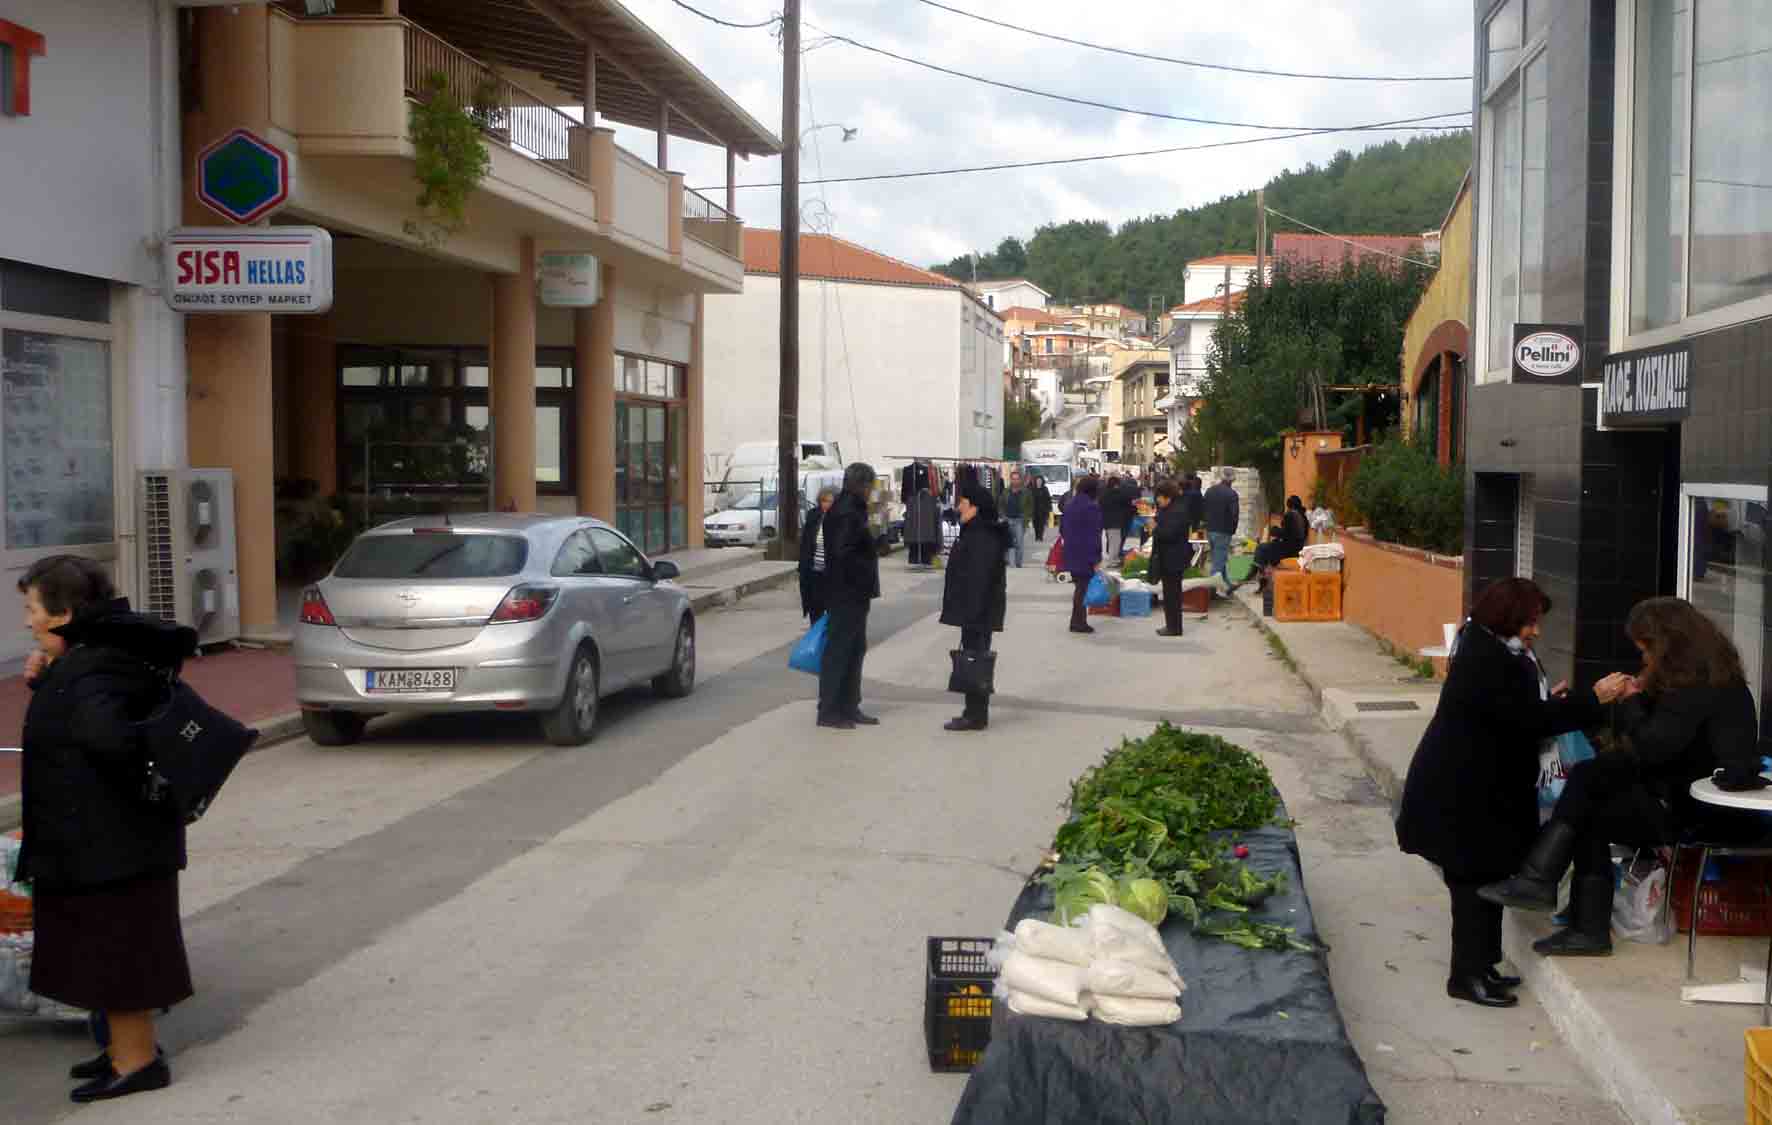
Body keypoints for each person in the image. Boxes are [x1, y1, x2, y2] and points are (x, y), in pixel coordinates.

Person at [1478, 596, 1765, 957]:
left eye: (1646, 650)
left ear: (1666, 646)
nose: (1644, 660)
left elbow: (1650, 748)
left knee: (1589, 792)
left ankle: (1552, 893)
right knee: (1590, 792)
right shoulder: (1703, 680)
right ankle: (1563, 906)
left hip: (1702, 813)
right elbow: (1660, 747)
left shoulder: (1698, 689)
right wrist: (1638, 699)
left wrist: (1630, 701)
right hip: (1680, 797)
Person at [15, 555, 199, 1101]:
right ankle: (122, 1047)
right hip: (110, 843)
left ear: (64, 614)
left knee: (118, 954)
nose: (27, 621)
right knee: (102, 951)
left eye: (32, 608)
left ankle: (137, 1062)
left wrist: (59, 684)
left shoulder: (92, 668)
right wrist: (49, 681)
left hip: (113, 847)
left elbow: (109, 744)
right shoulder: (92, 660)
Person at [1395, 578, 1605, 1008]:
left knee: (1488, 878)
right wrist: (1594, 700)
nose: (1536, 632)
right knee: (1471, 883)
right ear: (1508, 618)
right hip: (1461, 794)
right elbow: (1527, 721)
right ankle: (1465, 975)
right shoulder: (1488, 659)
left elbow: (1520, 712)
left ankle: (1483, 965)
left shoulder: (1492, 648)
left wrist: (1551, 703)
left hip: (1480, 791)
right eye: (1530, 622)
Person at [817, 463, 884, 730]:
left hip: (853, 592)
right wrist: (865, 566)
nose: (870, 491)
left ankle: (849, 705)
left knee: (855, 648)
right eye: (869, 486)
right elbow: (843, 553)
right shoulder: (846, 512)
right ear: (860, 485)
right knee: (840, 650)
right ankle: (830, 710)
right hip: (846, 592)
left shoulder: (852, 508)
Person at [940, 483, 1009, 731]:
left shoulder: (982, 536)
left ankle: (976, 715)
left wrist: (973, 613)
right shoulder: (976, 531)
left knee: (976, 660)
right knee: (974, 658)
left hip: (978, 611)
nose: (959, 507)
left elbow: (980, 577)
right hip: (976, 609)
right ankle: (974, 712)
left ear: (975, 507)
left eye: (963, 502)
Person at [1059, 475, 1104, 634]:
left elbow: (1062, 529)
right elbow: (1095, 534)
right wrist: (1097, 557)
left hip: (1071, 551)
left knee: (1079, 586)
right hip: (1086, 553)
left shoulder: (1069, 505)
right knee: (1082, 588)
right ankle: (1078, 622)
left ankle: (1076, 620)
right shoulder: (1092, 507)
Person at [1149, 480, 1194, 638]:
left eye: (1159, 497)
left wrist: (1155, 528)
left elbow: (1170, 534)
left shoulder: (1178, 511)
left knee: (1173, 594)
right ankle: (1171, 625)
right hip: (1166, 557)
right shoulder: (1167, 509)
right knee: (1169, 594)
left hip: (1174, 558)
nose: (1157, 500)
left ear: (1168, 496)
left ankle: (1174, 627)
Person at [798, 487, 837, 622]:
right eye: (824, 501)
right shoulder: (813, 515)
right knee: (815, 608)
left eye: (830, 501)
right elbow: (805, 542)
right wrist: (803, 566)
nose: (826, 504)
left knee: (833, 609)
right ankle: (816, 631)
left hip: (832, 573)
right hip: (814, 570)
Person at [1254, 495, 1310, 588]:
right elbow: (1293, 533)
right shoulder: (1303, 517)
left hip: (1289, 549)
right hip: (1297, 548)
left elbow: (1286, 533)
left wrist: (1274, 530)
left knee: (1261, 548)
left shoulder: (1291, 515)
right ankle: (1263, 573)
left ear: (1289, 505)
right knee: (1269, 548)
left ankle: (1261, 575)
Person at [1203, 467, 1241, 595]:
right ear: (1233, 479)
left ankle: (1227, 583)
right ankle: (1211, 591)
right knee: (1218, 562)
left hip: (1210, 529)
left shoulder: (1210, 491)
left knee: (1218, 557)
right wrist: (1233, 529)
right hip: (1224, 530)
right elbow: (1234, 514)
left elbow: (1204, 508)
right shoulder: (1232, 494)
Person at [1100, 475, 1132, 569]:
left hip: (1107, 521)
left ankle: (1114, 559)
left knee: (1113, 541)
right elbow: (1128, 502)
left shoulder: (1104, 494)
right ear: (1116, 484)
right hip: (1115, 522)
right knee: (1115, 542)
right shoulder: (1118, 494)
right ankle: (1112, 561)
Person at [1001, 472, 1029, 569]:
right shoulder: (1005, 492)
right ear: (1011, 480)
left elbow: (1030, 505)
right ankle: (1011, 563)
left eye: (1017, 479)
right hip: (1008, 519)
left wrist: (1027, 517)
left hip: (1019, 520)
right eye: (1013, 479)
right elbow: (1000, 504)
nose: (1015, 481)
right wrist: (1002, 516)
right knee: (1009, 542)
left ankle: (1018, 562)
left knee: (1019, 543)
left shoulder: (1025, 492)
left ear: (1020, 480)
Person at [1030, 476, 1053, 543]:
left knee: (1041, 524)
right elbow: (1030, 499)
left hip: (1043, 510)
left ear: (1042, 481)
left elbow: (1048, 499)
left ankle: (1040, 536)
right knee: (1035, 524)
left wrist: (1049, 508)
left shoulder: (1045, 489)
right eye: (1037, 481)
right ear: (1035, 481)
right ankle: (1037, 536)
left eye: (1040, 481)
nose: (1039, 482)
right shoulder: (1032, 489)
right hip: (1035, 510)